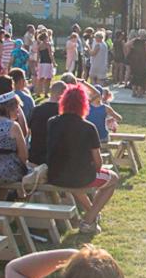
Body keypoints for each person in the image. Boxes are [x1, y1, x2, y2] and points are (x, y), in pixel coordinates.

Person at [45, 83, 116, 231]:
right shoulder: (88, 127)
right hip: (79, 176)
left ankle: (92, 213)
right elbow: (98, 163)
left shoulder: (52, 123)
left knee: (77, 180)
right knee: (113, 178)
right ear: (84, 105)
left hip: (54, 174)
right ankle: (89, 221)